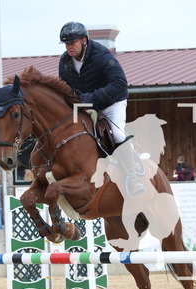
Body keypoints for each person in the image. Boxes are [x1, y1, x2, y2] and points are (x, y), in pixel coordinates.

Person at [58, 21, 143, 195]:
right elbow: (64, 88)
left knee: (117, 133)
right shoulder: (65, 61)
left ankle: (133, 175)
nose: (69, 47)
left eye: (72, 42)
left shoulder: (102, 56)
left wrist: (91, 98)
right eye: (66, 43)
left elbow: (120, 83)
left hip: (112, 103)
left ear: (84, 40)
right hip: (85, 105)